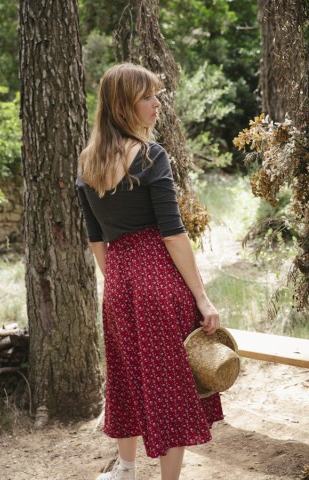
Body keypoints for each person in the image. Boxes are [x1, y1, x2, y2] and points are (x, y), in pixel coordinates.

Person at [76, 63, 223, 480]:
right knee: (168, 386)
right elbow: (174, 235)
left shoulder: (86, 163)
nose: (157, 104)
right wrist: (202, 298)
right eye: (147, 97)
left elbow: (96, 240)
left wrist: (119, 283)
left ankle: (124, 468)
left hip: (119, 283)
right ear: (124, 105)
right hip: (158, 279)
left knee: (126, 378)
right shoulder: (151, 156)